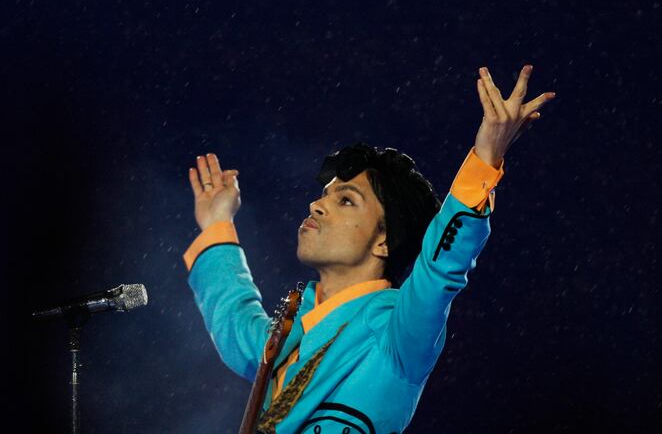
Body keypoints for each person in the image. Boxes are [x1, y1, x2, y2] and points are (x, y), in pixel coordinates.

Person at [182, 65, 555, 433]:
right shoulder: (287, 336)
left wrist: (485, 158)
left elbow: (439, 271)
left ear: (384, 241)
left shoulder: (395, 331)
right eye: (324, 195)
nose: (316, 205)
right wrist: (217, 223)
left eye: (346, 200)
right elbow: (234, 319)